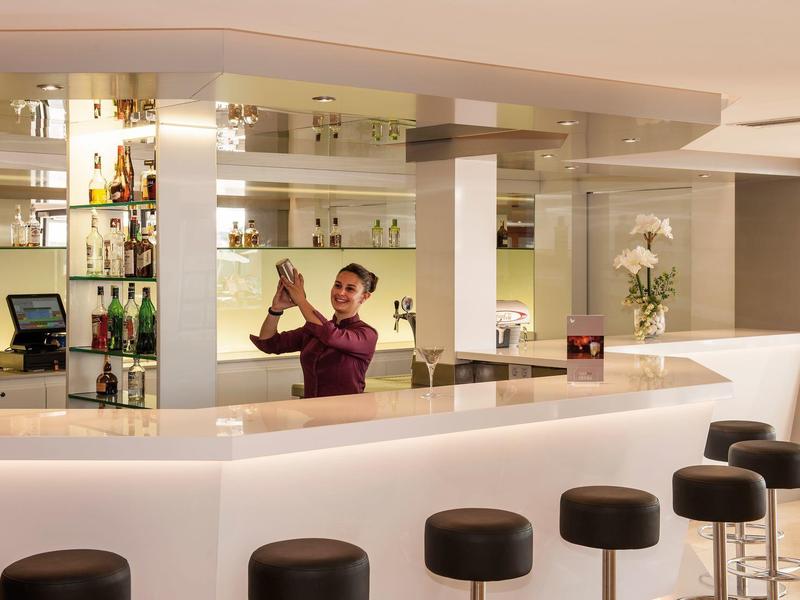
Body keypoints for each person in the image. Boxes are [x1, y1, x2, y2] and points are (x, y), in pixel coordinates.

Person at [250, 263, 379, 398]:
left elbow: (330, 336)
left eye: (350, 289)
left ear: (364, 297)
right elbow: (268, 343)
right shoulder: (313, 329)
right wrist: (276, 309)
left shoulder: (367, 334)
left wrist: (300, 299)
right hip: (313, 413)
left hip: (347, 415)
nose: (341, 292)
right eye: (338, 285)